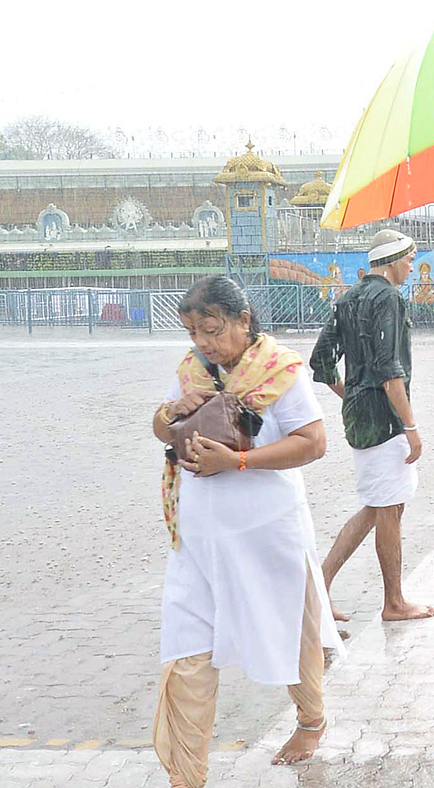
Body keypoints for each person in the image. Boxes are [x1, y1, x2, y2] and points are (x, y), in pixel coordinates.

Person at [151, 276, 343, 787]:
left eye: (212, 330)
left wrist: (237, 460)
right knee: (185, 648)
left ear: (243, 321)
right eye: (193, 331)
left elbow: (314, 442)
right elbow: (161, 428)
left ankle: (310, 720)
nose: (203, 342)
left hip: (267, 533)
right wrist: (171, 413)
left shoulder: (280, 370)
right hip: (198, 540)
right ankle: (186, 776)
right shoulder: (193, 370)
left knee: (292, 627)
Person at [310, 229, 434, 623]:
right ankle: (394, 602)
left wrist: (351, 395)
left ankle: (318, 584)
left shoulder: (348, 298)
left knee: (379, 506)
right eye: (410, 261)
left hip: (360, 417)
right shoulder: (389, 299)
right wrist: (411, 425)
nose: (411, 268)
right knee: (387, 510)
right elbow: (389, 371)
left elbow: (321, 362)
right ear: (394, 260)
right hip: (385, 420)